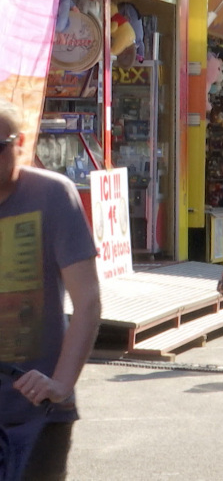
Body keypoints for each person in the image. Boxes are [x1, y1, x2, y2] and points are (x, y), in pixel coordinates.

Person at [0, 100, 101, 480]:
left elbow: (87, 302)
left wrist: (60, 384)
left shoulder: (51, 196)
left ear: (20, 144)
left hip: (37, 412)